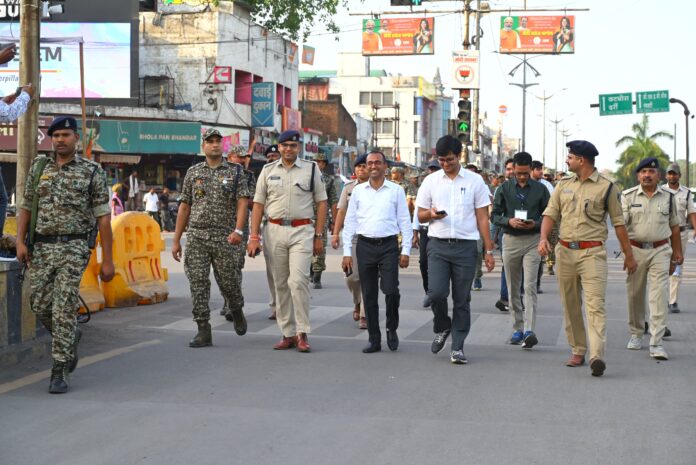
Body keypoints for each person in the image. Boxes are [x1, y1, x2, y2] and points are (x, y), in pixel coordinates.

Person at [15, 116, 115, 394]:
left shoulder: (92, 171)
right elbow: (25, 206)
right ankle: (71, 333)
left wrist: (108, 259)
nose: (60, 140)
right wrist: (20, 242)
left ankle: (59, 370)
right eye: (56, 135)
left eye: (66, 135)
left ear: (76, 138)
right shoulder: (39, 168)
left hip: (74, 247)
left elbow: (103, 219)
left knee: (62, 307)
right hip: (42, 247)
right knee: (38, 303)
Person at [538, 140, 637, 377]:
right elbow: (550, 213)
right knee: (570, 303)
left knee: (595, 306)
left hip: (593, 253)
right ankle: (578, 349)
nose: (566, 161)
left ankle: (596, 355)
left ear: (581, 160)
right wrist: (543, 238)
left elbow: (619, 223)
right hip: (564, 251)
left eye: (570, 157)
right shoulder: (563, 185)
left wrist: (629, 254)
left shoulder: (607, 187)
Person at [416, 135, 495, 364]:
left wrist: (488, 251)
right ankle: (442, 326)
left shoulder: (475, 181)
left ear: (459, 155)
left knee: (462, 299)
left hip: (466, 248)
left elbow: (482, 217)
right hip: (438, 246)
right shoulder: (430, 181)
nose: (445, 164)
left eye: (449, 159)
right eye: (441, 160)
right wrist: (431, 214)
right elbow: (420, 214)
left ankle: (458, 346)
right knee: (437, 293)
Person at [247, 130, 328, 353]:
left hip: (302, 230)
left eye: (293, 145)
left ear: (298, 147)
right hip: (273, 230)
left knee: (298, 281)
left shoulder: (311, 169)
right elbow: (258, 204)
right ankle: (287, 333)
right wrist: (253, 237)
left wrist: (319, 235)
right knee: (280, 283)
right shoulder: (267, 170)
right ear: (279, 147)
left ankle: (302, 332)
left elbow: (322, 203)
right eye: (284, 146)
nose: (288, 149)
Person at [172, 128, 250, 347]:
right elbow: (185, 206)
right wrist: (177, 239)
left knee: (228, 281)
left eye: (218, 141)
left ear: (222, 146)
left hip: (224, 236)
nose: (214, 145)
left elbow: (243, 202)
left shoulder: (235, 171)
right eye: (210, 141)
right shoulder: (193, 172)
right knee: (197, 282)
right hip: (197, 235)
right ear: (203, 146)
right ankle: (203, 328)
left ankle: (236, 307)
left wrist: (239, 230)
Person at [342, 150, 412, 354]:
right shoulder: (358, 191)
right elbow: (350, 222)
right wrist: (347, 252)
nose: (373, 166)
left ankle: (391, 328)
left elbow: (404, 222)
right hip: (365, 246)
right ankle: (374, 338)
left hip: (389, 245)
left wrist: (405, 250)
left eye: (377, 163)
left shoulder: (396, 190)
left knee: (391, 291)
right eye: (369, 163)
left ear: (385, 166)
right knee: (369, 294)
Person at [622, 158, 682, 361]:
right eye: (643, 171)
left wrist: (677, 253)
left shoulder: (668, 197)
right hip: (635, 250)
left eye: (651, 171)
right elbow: (621, 228)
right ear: (638, 175)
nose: (647, 175)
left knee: (659, 295)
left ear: (659, 175)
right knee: (635, 294)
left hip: (660, 250)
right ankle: (636, 332)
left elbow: (675, 227)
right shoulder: (628, 196)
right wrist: (627, 254)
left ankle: (656, 342)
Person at [492, 152, 549, 349]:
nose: (522, 177)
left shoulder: (541, 190)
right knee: (513, 286)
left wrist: (536, 223)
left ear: (531, 169)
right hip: (510, 240)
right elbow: (494, 215)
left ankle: (529, 329)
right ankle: (517, 328)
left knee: (530, 286)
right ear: (513, 170)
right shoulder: (504, 188)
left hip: (533, 241)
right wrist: (509, 221)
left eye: (525, 173)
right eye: (519, 173)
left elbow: (549, 216)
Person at [332, 154, 370, 329]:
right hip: (353, 237)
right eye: (359, 166)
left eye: (365, 165)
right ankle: (357, 301)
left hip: (372, 237)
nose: (362, 168)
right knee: (352, 277)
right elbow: (341, 211)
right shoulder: (348, 188)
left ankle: (364, 314)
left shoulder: (379, 187)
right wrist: (335, 234)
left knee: (368, 277)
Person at [218, 144, 256, 319]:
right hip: (220, 225)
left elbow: (254, 202)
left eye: (244, 157)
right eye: (238, 157)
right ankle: (227, 300)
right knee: (221, 266)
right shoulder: (219, 173)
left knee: (235, 265)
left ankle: (233, 304)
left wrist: (241, 199)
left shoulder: (249, 177)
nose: (241, 160)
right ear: (229, 157)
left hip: (240, 227)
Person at [662, 163, 696, 313]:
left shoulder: (687, 193)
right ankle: (660, 298)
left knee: (676, 266)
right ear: (666, 176)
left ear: (679, 176)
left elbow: (692, 212)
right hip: (663, 233)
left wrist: (695, 228)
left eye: (674, 174)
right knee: (661, 266)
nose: (672, 176)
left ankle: (672, 301)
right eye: (669, 173)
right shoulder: (660, 191)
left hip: (681, 234)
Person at [414, 160, 442, 308]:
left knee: (438, 264)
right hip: (425, 230)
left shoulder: (445, 185)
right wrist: (414, 233)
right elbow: (417, 212)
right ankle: (429, 292)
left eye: (435, 169)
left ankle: (437, 291)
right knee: (424, 262)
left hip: (439, 230)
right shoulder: (425, 185)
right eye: (430, 169)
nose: (432, 172)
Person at [310, 152, 338, 289]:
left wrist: (334, 221)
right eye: (315, 161)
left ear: (324, 164)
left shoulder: (328, 180)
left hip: (322, 219)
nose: (317, 163)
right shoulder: (304, 177)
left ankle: (317, 275)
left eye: (320, 162)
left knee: (320, 246)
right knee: (304, 246)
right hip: (305, 218)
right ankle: (310, 269)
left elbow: (333, 201)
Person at [495, 158, 515, 312]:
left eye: (513, 168)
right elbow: (494, 215)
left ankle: (518, 296)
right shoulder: (500, 189)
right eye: (508, 169)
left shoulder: (535, 189)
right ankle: (505, 297)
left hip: (528, 235)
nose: (510, 172)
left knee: (521, 267)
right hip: (506, 232)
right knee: (506, 266)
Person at [262, 144, 280, 320]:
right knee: (272, 270)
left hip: (293, 228)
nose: (272, 158)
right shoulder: (264, 174)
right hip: (269, 226)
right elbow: (257, 203)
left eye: (275, 155)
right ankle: (275, 305)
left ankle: (288, 305)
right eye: (269, 156)